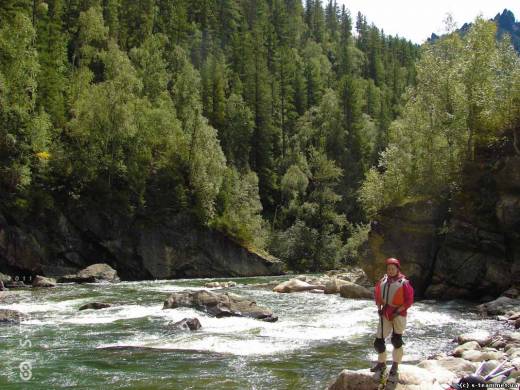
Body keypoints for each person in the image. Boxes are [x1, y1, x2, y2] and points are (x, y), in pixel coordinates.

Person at [370, 257, 414, 377]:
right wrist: (379, 309)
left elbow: (409, 300)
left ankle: (395, 365)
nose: (390, 271)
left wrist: (398, 311)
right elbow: (378, 296)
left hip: (399, 314)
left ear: (397, 269)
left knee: (396, 340)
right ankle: (382, 363)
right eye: (388, 269)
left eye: (393, 269)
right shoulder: (383, 280)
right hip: (386, 312)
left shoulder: (404, 283)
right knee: (378, 342)